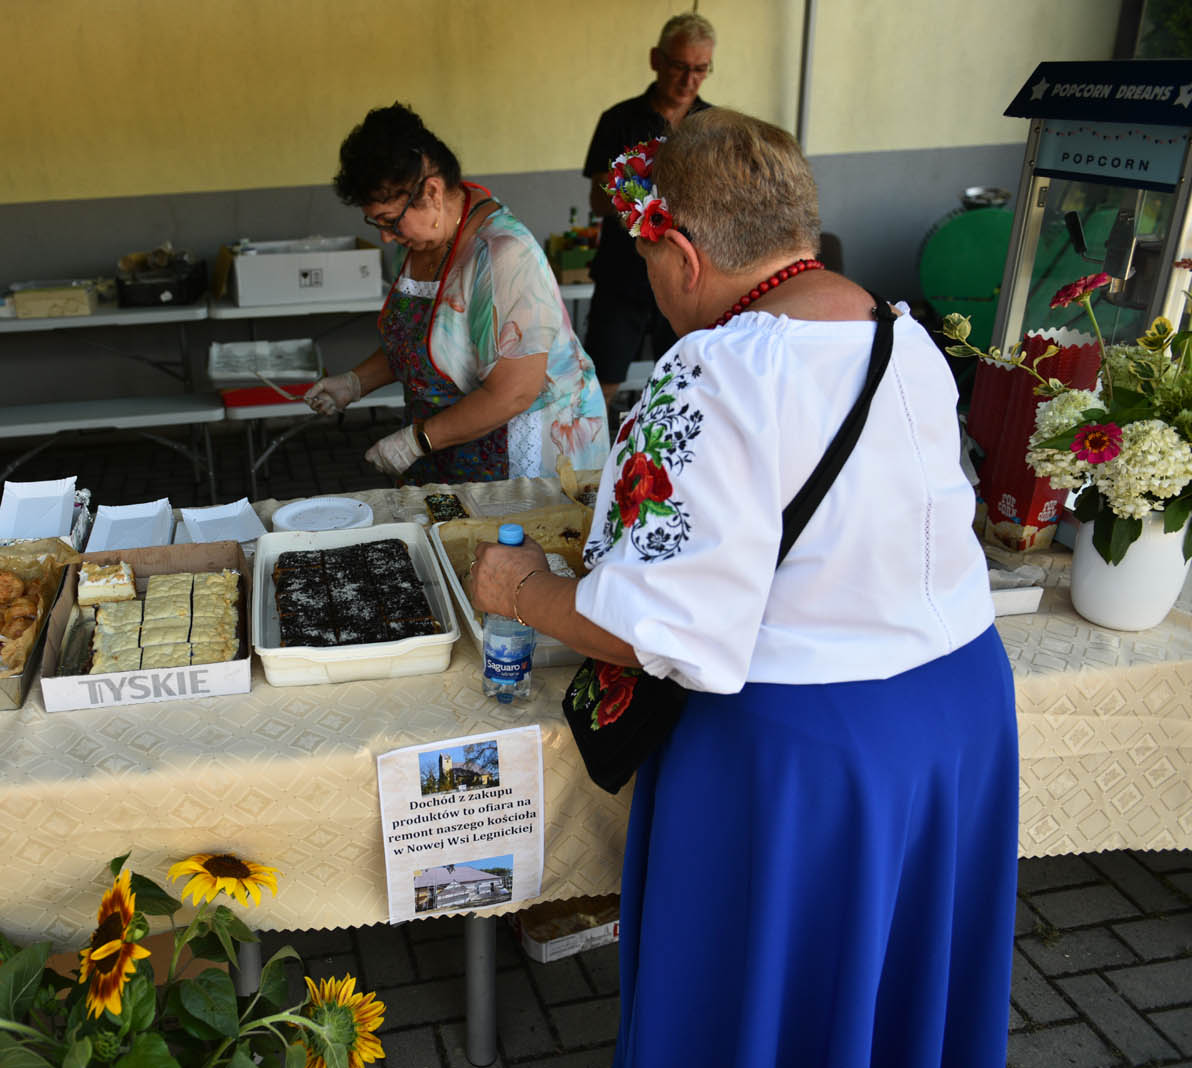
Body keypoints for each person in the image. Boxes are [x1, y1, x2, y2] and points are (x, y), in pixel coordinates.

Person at [472, 110, 1017, 1067]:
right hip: (960, 716)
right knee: (891, 997)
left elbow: (660, 630)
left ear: (681, 254)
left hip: (804, 757)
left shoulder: (714, 370)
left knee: (757, 1011)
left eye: (649, 265)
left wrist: (524, 588)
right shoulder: (909, 339)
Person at [305, 103, 608, 484]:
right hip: (451, 437)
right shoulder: (419, 239)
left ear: (431, 192)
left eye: (389, 221)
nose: (385, 236)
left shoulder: (503, 255)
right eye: (376, 222)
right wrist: (354, 382)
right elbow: (422, 340)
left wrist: (416, 441)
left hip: (525, 445)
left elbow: (514, 392)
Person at [582, 12, 715, 407]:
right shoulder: (619, 121)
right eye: (679, 66)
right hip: (623, 276)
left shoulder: (713, 126)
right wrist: (645, 186)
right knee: (597, 387)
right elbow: (596, 199)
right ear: (656, 59)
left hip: (689, 280)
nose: (689, 80)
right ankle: (590, 467)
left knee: (682, 387)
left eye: (700, 69)